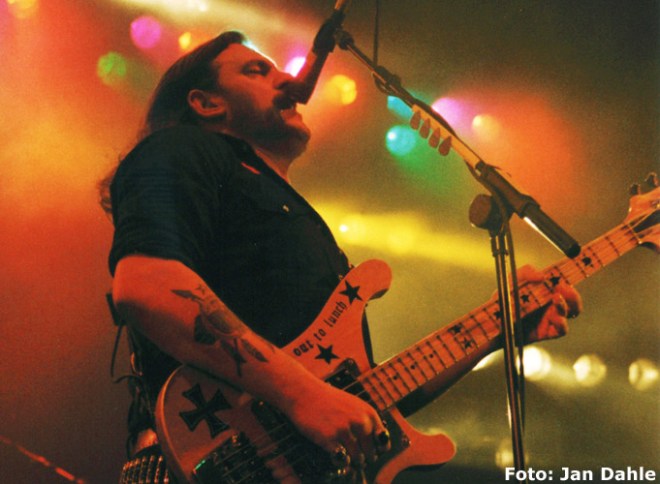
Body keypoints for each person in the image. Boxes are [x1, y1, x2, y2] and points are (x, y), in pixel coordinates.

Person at [100, 31, 581, 483]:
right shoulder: (182, 149)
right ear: (206, 103)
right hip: (200, 463)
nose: (286, 79)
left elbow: (362, 398)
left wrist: (500, 326)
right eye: (255, 71)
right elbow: (147, 285)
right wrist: (301, 394)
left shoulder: (296, 215)